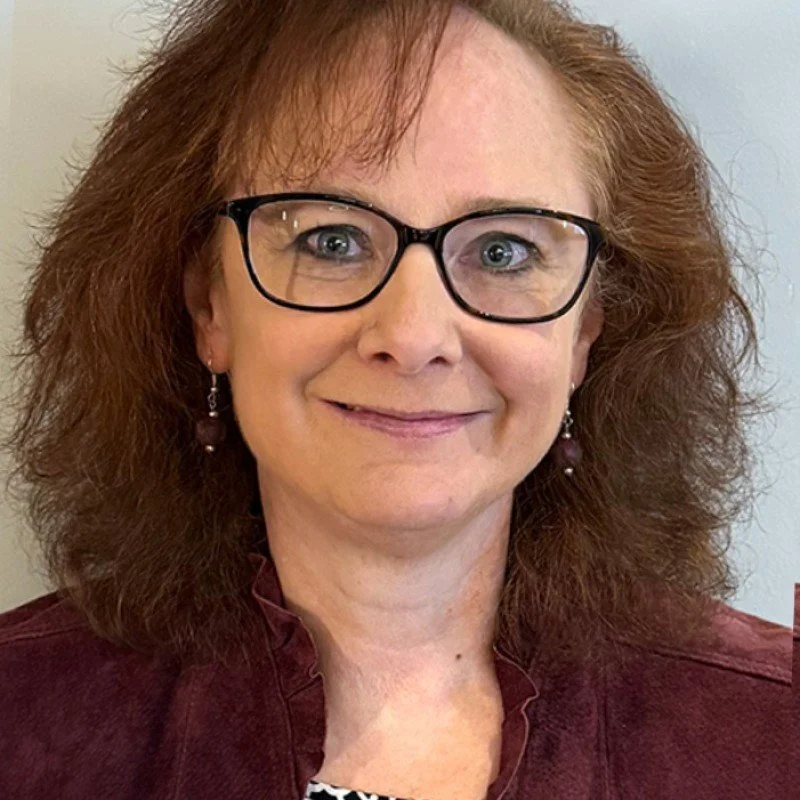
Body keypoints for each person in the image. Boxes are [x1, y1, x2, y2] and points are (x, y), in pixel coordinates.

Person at [0, 1, 792, 799]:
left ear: (585, 331)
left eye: (503, 250)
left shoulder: (773, 738)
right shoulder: (20, 721)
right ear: (212, 306)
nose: (414, 335)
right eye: (330, 240)